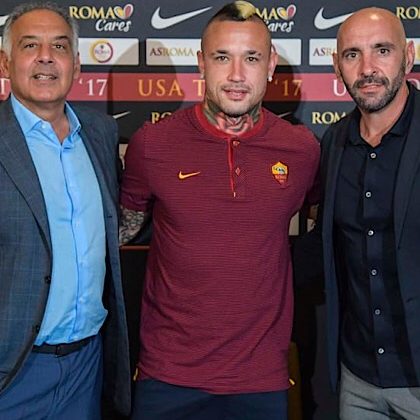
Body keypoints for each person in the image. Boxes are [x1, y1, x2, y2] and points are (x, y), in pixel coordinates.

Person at [120, 1, 319, 418]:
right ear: (201, 64)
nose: (236, 75)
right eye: (222, 57)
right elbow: (119, 232)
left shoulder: (301, 150)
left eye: (251, 58)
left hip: (260, 380)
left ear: (271, 66)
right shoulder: (152, 144)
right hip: (167, 377)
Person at [0, 2, 130, 418]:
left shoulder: (100, 132)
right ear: (5, 62)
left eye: (59, 46)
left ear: (76, 64)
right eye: (30, 45)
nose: (45, 57)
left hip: (86, 368)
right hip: (12, 370)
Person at [295, 7, 420, 419]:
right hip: (358, 380)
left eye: (382, 50)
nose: (367, 68)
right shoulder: (333, 143)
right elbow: (323, 245)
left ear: (408, 56)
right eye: (352, 54)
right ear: (336, 66)